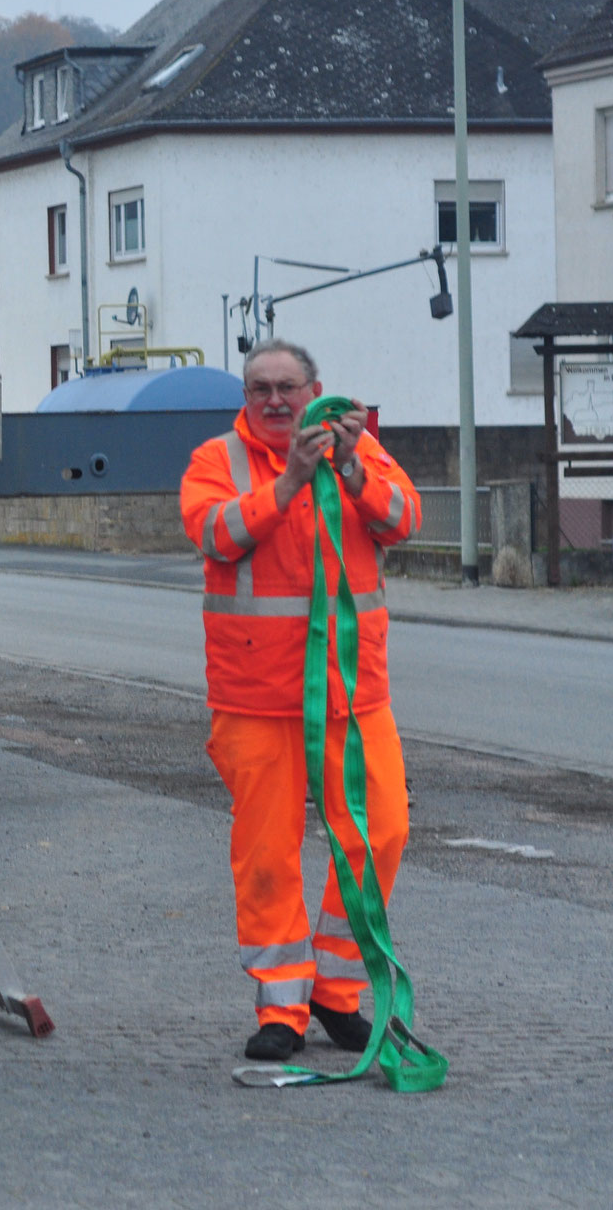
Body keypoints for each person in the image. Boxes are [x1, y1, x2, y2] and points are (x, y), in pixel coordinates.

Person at [179, 338, 422, 1063]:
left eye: (288, 387)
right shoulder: (216, 461)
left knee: (383, 831)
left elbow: (405, 520)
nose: (276, 400)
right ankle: (281, 1006)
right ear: (245, 397)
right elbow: (213, 534)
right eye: (261, 388)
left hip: (354, 694)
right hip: (257, 700)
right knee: (266, 855)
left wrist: (348, 469)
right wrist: (288, 484)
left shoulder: (363, 450)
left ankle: (336, 991)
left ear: (315, 388)